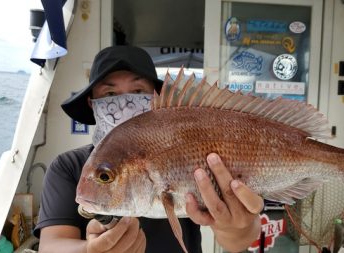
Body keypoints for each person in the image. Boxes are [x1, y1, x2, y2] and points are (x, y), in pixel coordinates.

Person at [34, 45, 263, 253]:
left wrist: (238, 227)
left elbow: (236, 243)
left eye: (137, 92)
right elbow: (51, 244)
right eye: (110, 94)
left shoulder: (187, 146)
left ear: (155, 97)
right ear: (91, 102)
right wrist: (89, 251)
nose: (125, 102)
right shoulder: (67, 166)